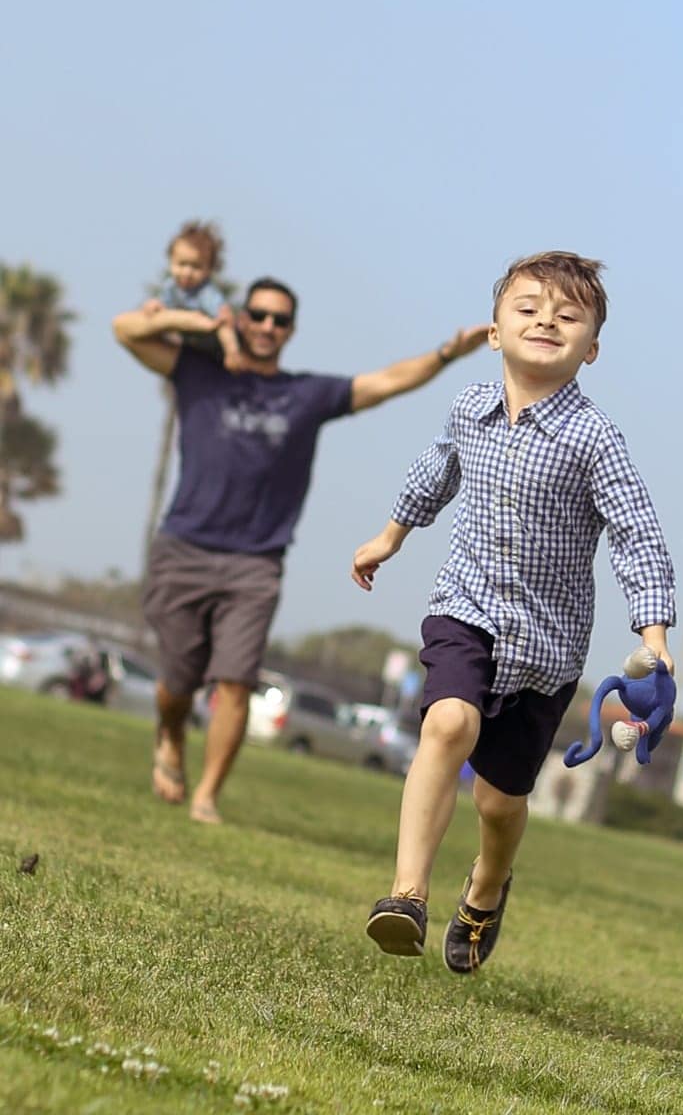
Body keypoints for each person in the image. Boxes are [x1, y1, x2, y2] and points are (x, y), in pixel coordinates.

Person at [351, 251, 676, 974]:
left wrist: (652, 635)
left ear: (589, 348)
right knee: (446, 721)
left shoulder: (594, 439)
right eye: (526, 309)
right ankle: (406, 895)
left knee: (499, 805)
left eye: (566, 316)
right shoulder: (468, 408)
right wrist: (391, 534)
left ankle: (487, 884)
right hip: (464, 606)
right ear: (495, 332)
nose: (544, 322)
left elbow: (635, 532)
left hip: (546, 647)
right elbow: (436, 468)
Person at [113, 277, 488, 824]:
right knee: (177, 683)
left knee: (237, 680)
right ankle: (169, 735)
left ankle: (206, 797)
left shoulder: (306, 395)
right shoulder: (198, 374)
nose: (267, 326)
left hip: (256, 561)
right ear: (242, 318)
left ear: (291, 331)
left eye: (279, 320)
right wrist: (200, 325)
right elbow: (125, 330)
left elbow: (387, 382)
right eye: (258, 315)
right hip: (184, 549)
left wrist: (448, 352)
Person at [143, 220, 244, 372]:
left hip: (212, 343)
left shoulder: (206, 293)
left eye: (196, 267)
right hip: (189, 342)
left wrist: (230, 347)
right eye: (181, 264)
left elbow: (222, 318)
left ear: (209, 270)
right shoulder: (171, 287)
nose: (187, 272)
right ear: (171, 262)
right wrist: (154, 305)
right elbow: (163, 305)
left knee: (224, 325)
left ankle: (233, 354)